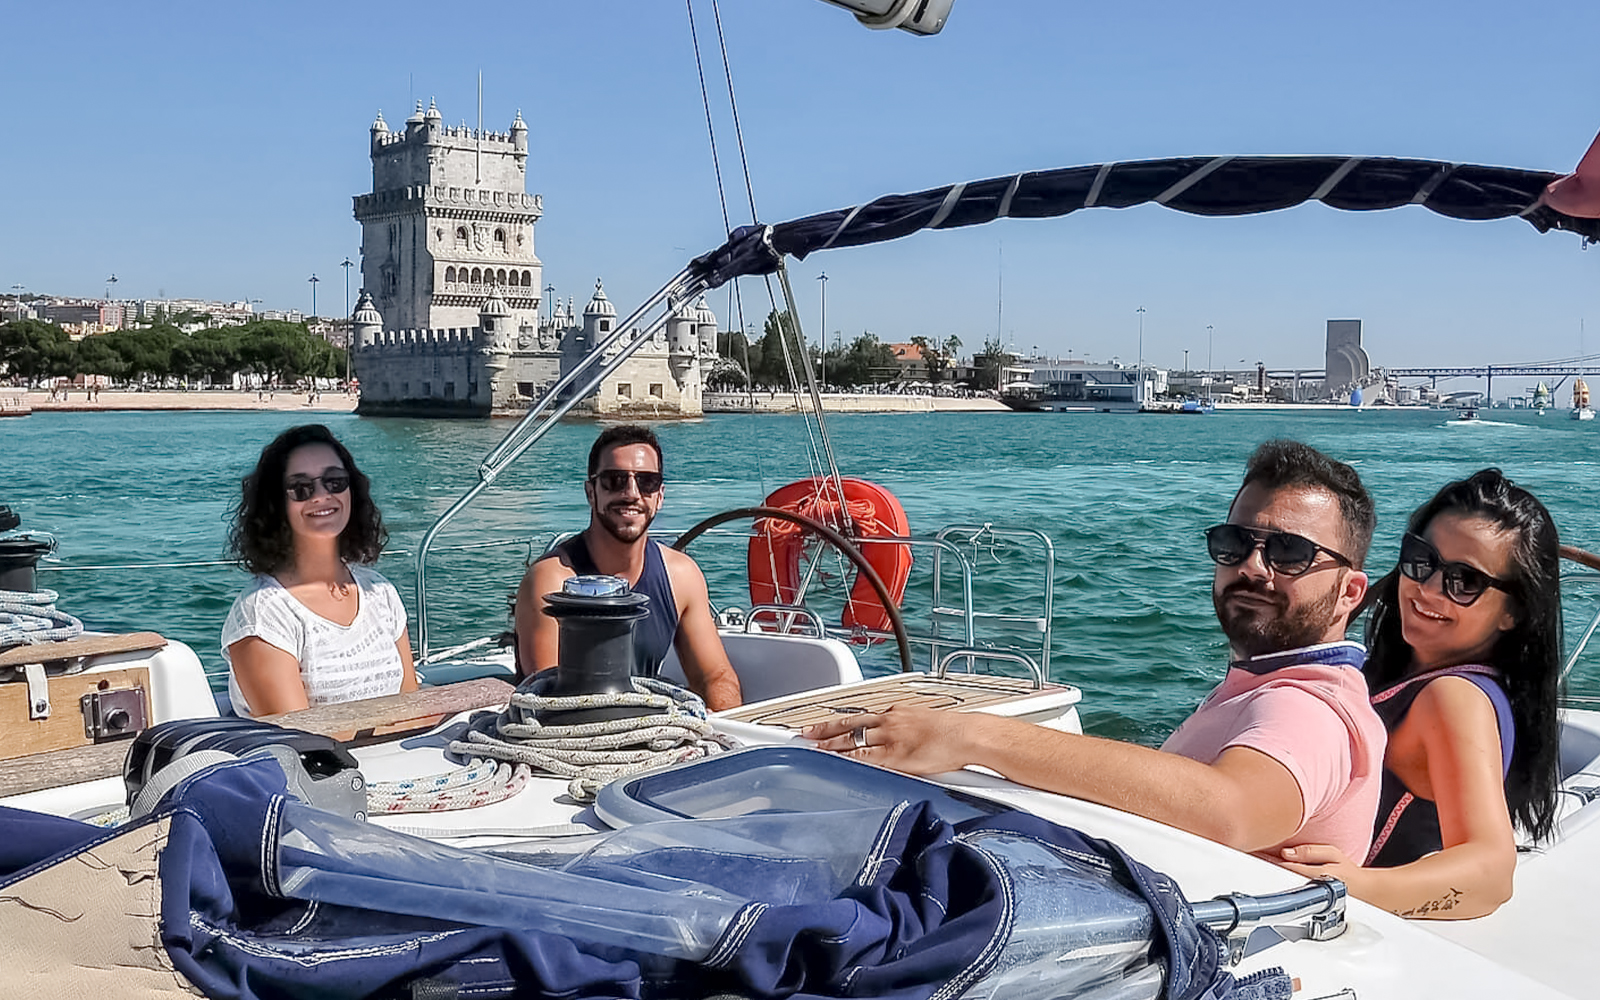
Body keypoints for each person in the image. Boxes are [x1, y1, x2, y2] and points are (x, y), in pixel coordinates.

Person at [806, 440, 1387, 860]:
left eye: (1289, 553)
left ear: (1349, 593)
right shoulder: (1265, 687)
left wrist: (971, 735)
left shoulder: (1309, 710)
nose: (1252, 568)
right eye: (1234, 542)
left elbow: (1230, 811)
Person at [1280, 469, 1563, 919]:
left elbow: (1491, 872)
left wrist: (1353, 886)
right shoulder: (1403, 675)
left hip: (1317, 922)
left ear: (1514, 612)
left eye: (1465, 581)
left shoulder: (1454, 699)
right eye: (1421, 559)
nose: (1428, 588)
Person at [514, 425, 742, 711]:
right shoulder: (552, 581)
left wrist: (722, 723)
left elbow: (716, 676)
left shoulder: (681, 575)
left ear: (660, 496)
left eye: (646, 482)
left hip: (652, 731)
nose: (631, 493)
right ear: (590, 492)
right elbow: (554, 700)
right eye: (614, 480)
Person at [222, 424, 417, 717]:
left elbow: (412, 705)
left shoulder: (380, 592)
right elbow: (302, 737)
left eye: (335, 481)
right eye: (301, 488)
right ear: (278, 504)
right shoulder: (262, 614)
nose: (321, 495)